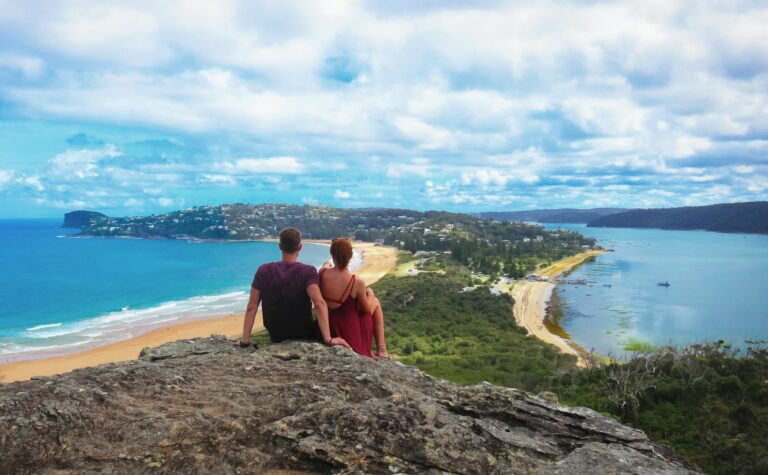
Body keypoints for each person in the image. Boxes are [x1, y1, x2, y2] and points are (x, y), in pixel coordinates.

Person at [236, 227, 349, 349]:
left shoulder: (263, 270)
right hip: (303, 334)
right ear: (300, 247)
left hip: (276, 334)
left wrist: (245, 341)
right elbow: (319, 303)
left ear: (280, 246)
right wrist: (328, 338)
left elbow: (252, 306)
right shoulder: (308, 271)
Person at [319, 237, 389, 359]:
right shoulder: (356, 281)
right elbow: (366, 309)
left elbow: (325, 266)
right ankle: (382, 350)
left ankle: (381, 350)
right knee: (375, 302)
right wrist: (370, 294)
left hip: (329, 327)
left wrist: (327, 264)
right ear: (350, 256)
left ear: (332, 254)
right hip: (349, 332)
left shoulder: (322, 273)